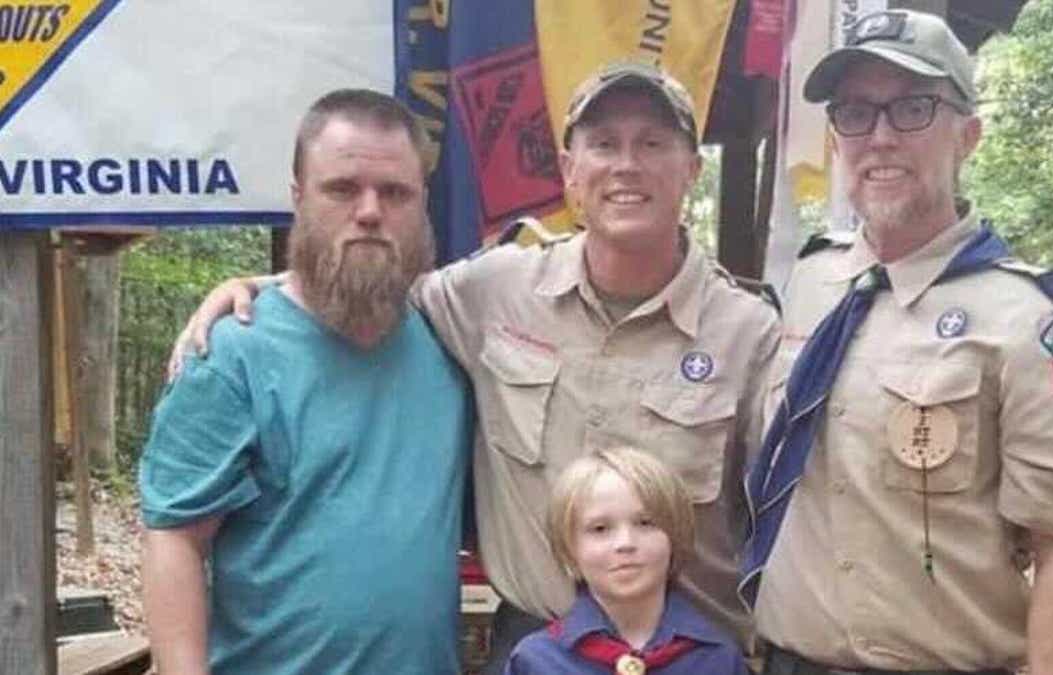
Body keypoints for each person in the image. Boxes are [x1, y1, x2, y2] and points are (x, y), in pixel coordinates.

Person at [169, 61, 780, 669]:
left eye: (652, 143)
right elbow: (367, 274)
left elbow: (785, 523)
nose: (626, 165)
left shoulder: (750, 336)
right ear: (570, 171)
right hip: (537, 651)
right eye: (603, 145)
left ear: (693, 170)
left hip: (689, 656)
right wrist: (264, 286)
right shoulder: (493, 291)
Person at [742, 10, 1053, 675]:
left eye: (912, 107)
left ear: (968, 134)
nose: (879, 137)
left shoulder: (1032, 323)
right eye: (854, 112)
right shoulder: (810, 286)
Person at [140, 90, 473, 674]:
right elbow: (175, 540)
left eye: (394, 192)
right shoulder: (232, 353)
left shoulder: (454, 339)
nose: (369, 210)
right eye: (342, 189)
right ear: (299, 198)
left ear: (422, 203)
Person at [504, 447, 748, 674]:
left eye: (646, 523)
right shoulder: (537, 660)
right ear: (569, 548)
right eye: (600, 529)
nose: (625, 543)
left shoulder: (718, 658)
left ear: (675, 535)